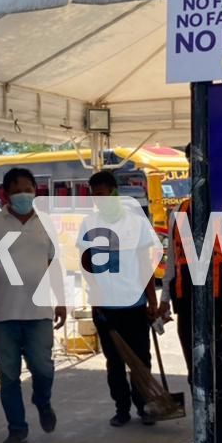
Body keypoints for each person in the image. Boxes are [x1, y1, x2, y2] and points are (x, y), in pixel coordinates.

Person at [159, 155, 222, 443]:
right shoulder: (179, 214)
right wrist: (164, 297)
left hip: (219, 303)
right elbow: (173, 260)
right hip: (187, 306)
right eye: (192, 168)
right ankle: (204, 436)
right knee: (197, 374)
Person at [0, 168, 67, 443]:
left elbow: (53, 265)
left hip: (39, 313)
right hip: (5, 315)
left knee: (44, 369)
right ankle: (17, 429)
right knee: (8, 376)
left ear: (36, 191)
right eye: (18, 189)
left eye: (29, 188)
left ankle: (42, 401)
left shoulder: (46, 224)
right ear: (6, 193)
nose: (25, 194)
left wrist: (61, 300)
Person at [80, 170, 159, 427]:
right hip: (105, 306)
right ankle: (121, 408)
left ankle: (145, 406)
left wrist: (153, 301)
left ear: (114, 192)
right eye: (94, 197)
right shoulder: (89, 224)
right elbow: (87, 264)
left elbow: (144, 264)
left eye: (102, 195)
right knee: (114, 363)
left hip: (134, 305)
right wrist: (95, 293)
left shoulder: (135, 223)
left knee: (141, 360)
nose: (98, 201)